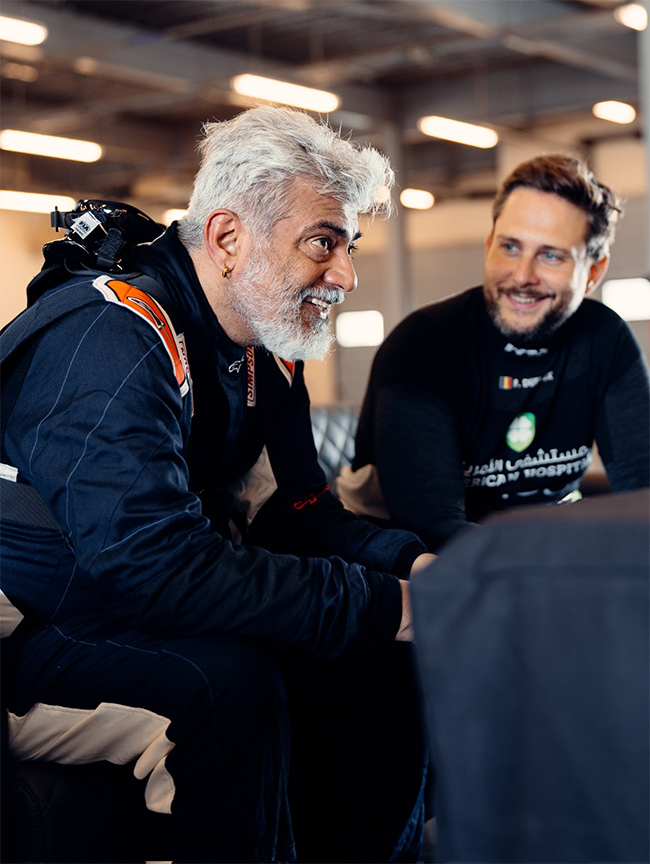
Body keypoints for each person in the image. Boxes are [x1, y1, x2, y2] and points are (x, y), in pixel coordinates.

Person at [0, 106, 435, 863]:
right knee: (228, 686)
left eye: (350, 246)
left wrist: (412, 568)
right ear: (230, 239)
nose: (347, 275)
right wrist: (376, 605)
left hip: (116, 603)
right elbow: (155, 567)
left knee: (380, 655)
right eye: (323, 243)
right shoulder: (109, 336)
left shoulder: (266, 348)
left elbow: (296, 514)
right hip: (28, 626)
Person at [339, 154, 650, 552]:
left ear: (593, 270)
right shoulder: (424, 344)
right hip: (411, 568)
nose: (522, 276)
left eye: (551, 255)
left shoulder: (603, 338)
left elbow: (641, 491)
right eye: (510, 247)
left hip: (535, 552)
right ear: (489, 248)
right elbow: (433, 524)